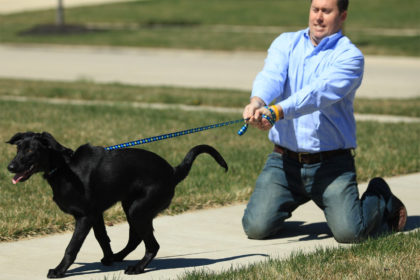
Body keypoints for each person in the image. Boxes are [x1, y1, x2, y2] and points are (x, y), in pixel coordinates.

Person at [241, 0, 407, 243]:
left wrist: (276, 111)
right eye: (315, 9)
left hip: (332, 165)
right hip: (284, 162)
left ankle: (380, 195)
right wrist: (257, 102)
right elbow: (271, 75)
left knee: (351, 233)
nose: (318, 17)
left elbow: (317, 94)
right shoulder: (286, 42)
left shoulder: (350, 57)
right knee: (255, 228)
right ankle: (283, 202)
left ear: (342, 16)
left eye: (326, 11)